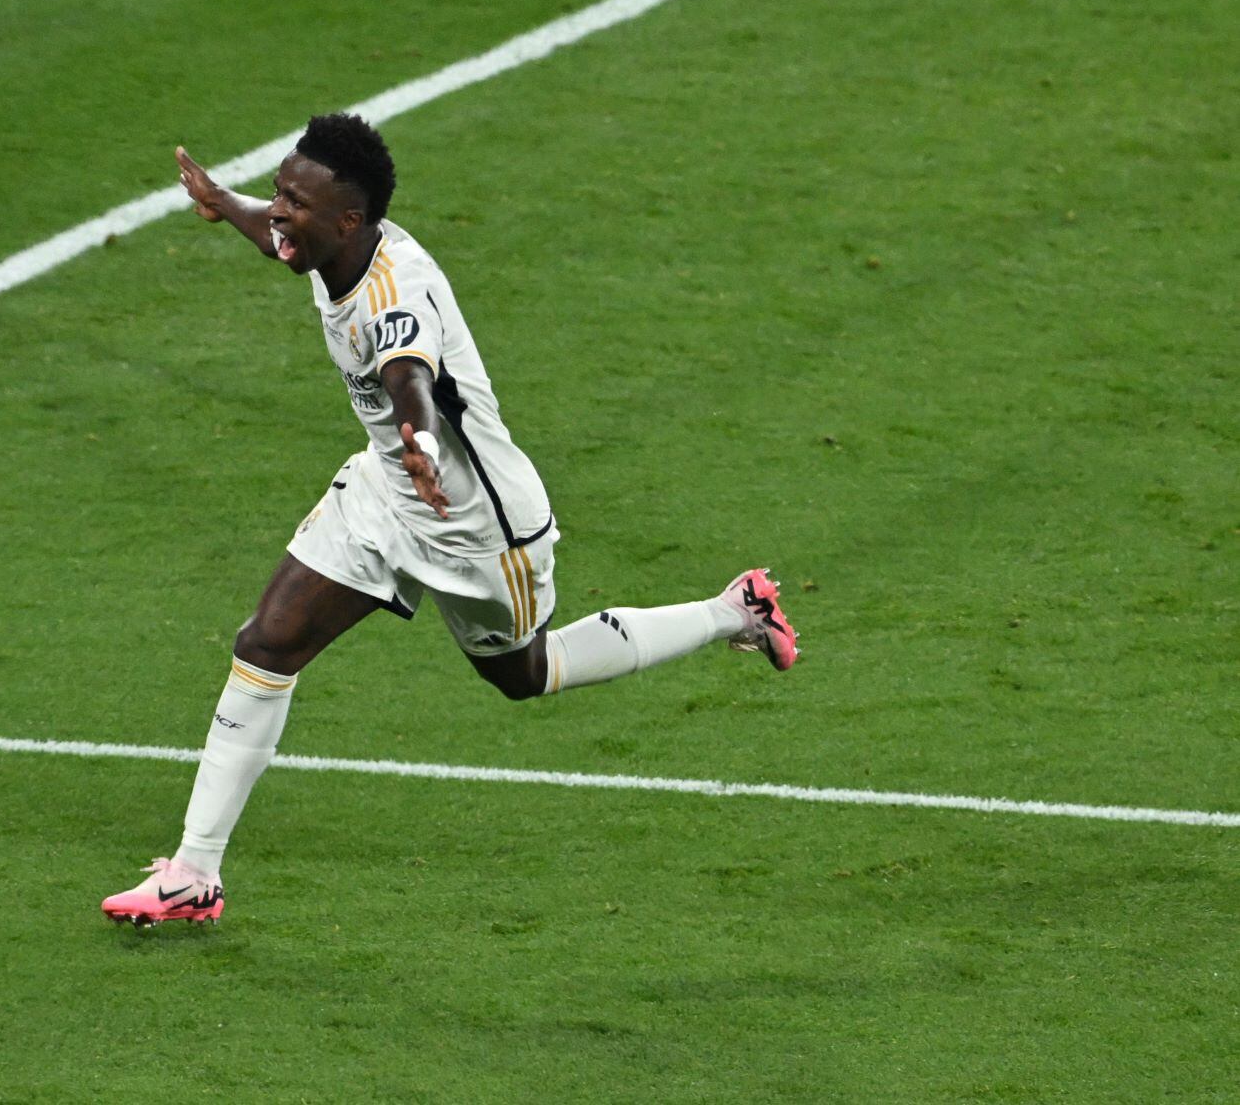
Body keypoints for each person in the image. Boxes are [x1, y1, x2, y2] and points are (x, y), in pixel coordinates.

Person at [101, 113, 799, 926]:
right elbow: (277, 239)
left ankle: (730, 613)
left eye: (294, 200)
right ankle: (195, 873)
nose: (279, 210)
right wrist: (222, 199)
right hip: (387, 494)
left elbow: (409, 376)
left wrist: (421, 441)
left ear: (349, 221)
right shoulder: (327, 241)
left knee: (524, 675)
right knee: (267, 643)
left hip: (479, 530)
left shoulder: (396, 292)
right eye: (281, 191)